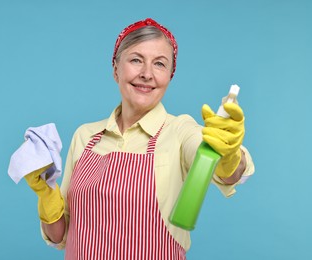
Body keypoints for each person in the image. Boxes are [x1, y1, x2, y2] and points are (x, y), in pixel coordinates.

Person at [24, 18, 254, 259]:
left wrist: (229, 155)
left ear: (169, 76)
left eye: (160, 64)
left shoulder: (180, 130)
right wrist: (46, 195)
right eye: (136, 60)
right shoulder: (85, 136)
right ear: (116, 69)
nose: (147, 74)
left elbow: (226, 171)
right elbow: (61, 236)